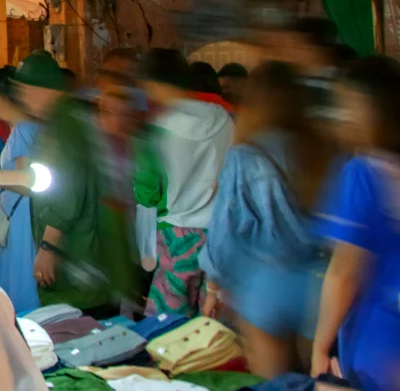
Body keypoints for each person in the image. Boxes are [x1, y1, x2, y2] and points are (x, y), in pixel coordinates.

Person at [199, 62, 329, 377]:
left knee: (275, 384)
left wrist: (214, 287)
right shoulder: (321, 150)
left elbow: (226, 232)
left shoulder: (245, 156)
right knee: (320, 379)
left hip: (266, 287)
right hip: (319, 287)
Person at [15, 51, 134, 314]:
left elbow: (67, 191)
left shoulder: (64, 124)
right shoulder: (68, 117)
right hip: (85, 259)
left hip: (79, 261)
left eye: (24, 89)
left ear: (41, 88)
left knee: (82, 337)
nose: (22, 97)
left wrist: (48, 247)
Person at [311, 56, 400, 389]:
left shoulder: (362, 172)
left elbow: (344, 272)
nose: (339, 117)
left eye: (345, 105)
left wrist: (320, 347)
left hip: (379, 337)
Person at [134, 49, 234, 317]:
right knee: (213, 322)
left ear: (152, 84)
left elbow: (148, 194)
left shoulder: (157, 129)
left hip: (176, 235)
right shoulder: (224, 118)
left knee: (168, 323)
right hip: (221, 234)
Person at [0, 71, 44, 315]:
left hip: (20, 220)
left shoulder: (23, 130)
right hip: (18, 215)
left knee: (17, 284)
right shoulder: (23, 128)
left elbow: (26, 183)